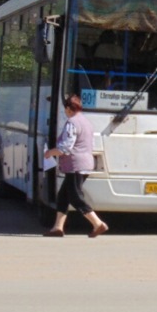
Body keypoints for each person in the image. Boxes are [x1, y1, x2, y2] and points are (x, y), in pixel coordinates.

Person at [44, 94, 109, 238]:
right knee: (63, 196)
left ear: (68, 108)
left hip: (75, 165)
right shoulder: (87, 122)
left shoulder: (72, 123)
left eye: (66, 109)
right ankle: (58, 227)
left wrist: (50, 153)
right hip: (86, 162)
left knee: (75, 197)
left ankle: (98, 223)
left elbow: (65, 147)